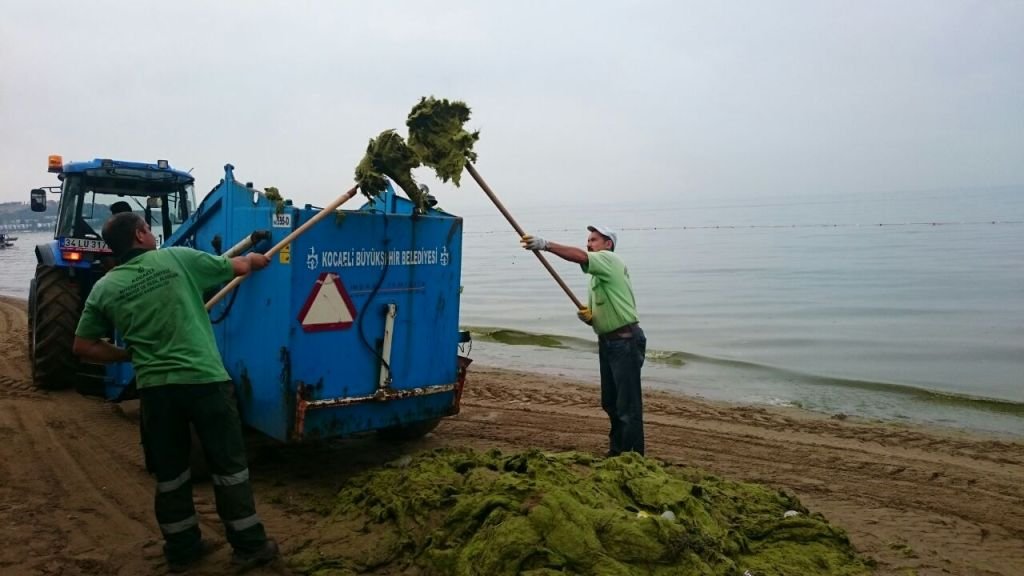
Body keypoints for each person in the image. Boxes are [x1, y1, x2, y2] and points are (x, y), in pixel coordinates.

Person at [72, 212, 279, 572]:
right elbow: (240, 266)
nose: (152, 235)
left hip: (156, 392)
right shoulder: (176, 258)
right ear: (139, 235)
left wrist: (125, 354)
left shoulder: (105, 287)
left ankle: (183, 548)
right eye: (148, 230)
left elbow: (83, 346)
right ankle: (249, 546)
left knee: (171, 474)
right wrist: (259, 259)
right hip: (205, 383)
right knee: (229, 466)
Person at [521, 225, 646, 456]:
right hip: (608, 341)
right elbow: (610, 307)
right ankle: (617, 452)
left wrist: (545, 244)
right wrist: (593, 319)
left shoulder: (610, 259)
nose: (589, 244)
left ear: (608, 244)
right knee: (610, 402)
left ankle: (633, 457)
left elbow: (579, 255)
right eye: (588, 240)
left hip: (625, 341)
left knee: (627, 406)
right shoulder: (597, 277)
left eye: (594, 240)